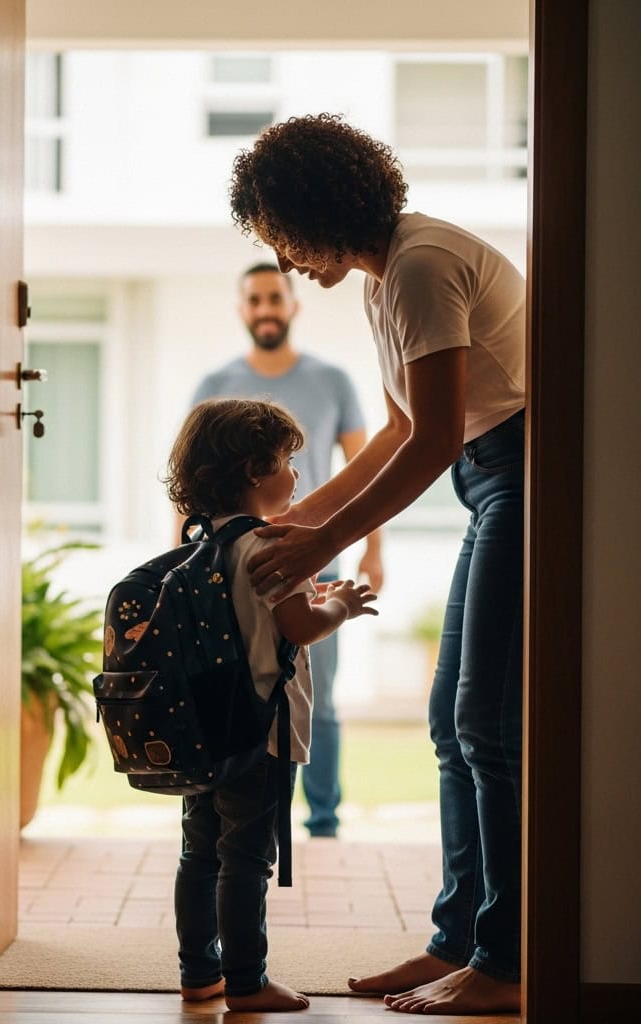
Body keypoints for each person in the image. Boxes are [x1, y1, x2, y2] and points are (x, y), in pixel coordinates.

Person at [228, 113, 526, 1016]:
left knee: (486, 727)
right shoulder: (383, 278)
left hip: (519, 476)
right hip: (487, 481)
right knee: (451, 726)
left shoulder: (423, 265)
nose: (283, 259)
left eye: (282, 235)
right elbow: (399, 428)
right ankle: (456, 942)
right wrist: (289, 520)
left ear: (317, 212)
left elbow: (432, 440)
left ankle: (506, 961)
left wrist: (325, 543)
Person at [164, 397, 378, 1012]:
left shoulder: (199, 548)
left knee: (199, 853)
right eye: (287, 461)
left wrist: (312, 596)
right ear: (255, 471)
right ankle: (248, 983)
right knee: (246, 859)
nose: (296, 474)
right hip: (262, 733)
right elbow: (301, 627)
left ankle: (199, 974)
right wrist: (343, 605)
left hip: (206, 731)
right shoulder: (273, 546)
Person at [187, 262, 384, 838]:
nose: (266, 308)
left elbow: (365, 470)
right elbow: (192, 479)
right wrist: (186, 557)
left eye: (275, 297)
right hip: (227, 567)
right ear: (242, 309)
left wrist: (373, 550)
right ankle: (241, 813)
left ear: (292, 304)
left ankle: (321, 820)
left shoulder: (333, 381)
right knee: (231, 690)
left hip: (313, 556)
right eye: (255, 299)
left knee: (313, 694)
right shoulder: (214, 383)